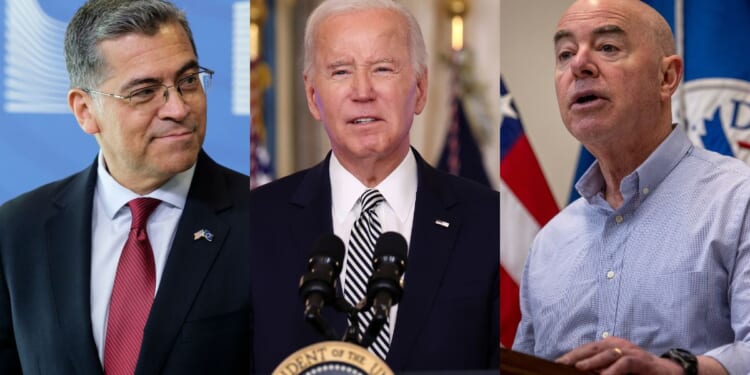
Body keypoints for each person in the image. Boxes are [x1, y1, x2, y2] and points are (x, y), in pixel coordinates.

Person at [0, 0, 250, 374]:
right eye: (145, 92)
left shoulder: (263, 219)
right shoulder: (18, 229)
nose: (178, 109)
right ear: (85, 110)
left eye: (188, 81)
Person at [248, 0, 499, 371]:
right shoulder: (252, 222)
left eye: (382, 68)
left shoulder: (487, 220)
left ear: (421, 86)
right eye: (340, 72)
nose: (362, 91)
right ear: (313, 95)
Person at [512, 0, 750, 374]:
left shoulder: (738, 200)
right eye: (565, 53)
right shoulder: (549, 244)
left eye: (608, 47)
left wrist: (676, 370)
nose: (579, 65)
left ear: (667, 77)